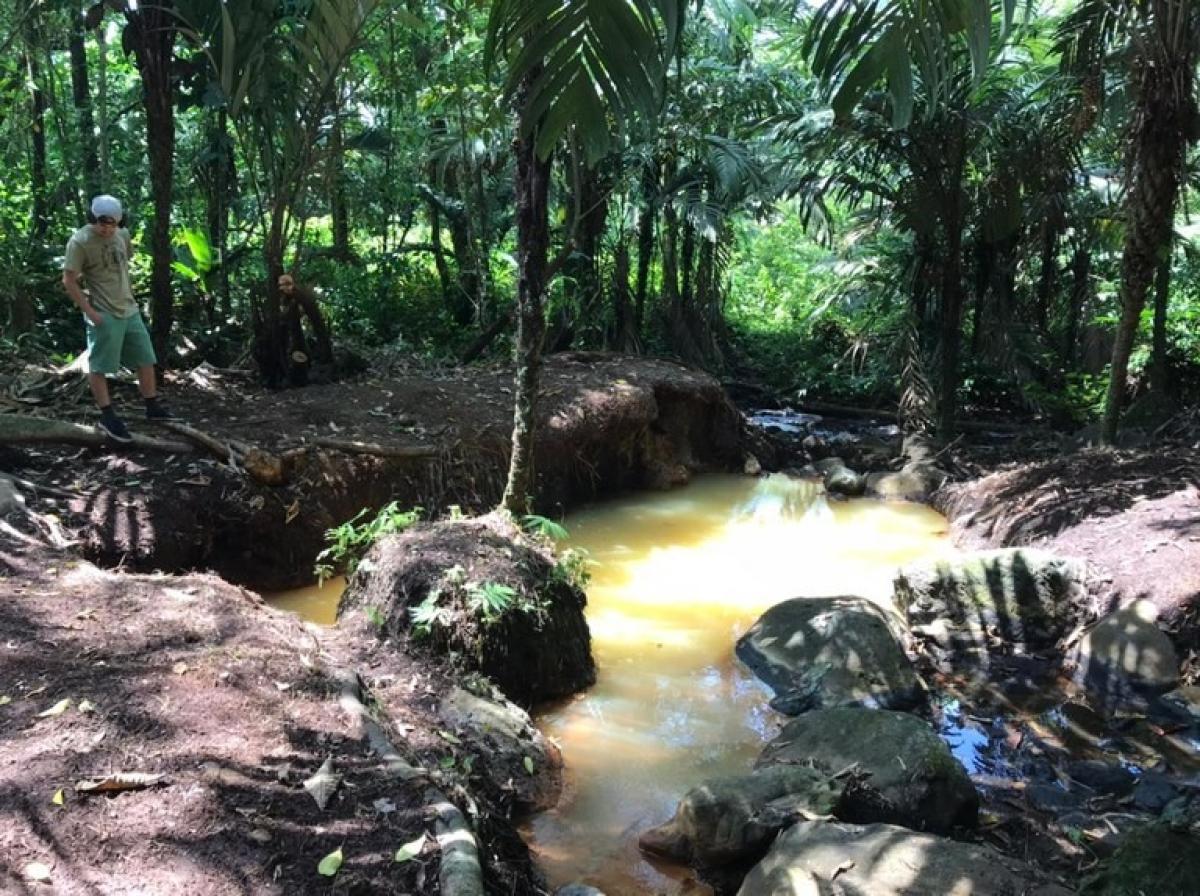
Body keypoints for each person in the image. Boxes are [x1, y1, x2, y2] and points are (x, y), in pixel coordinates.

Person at [62, 195, 173, 443]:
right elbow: (69, 280)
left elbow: (125, 261)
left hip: (129, 309)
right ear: (92, 219)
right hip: (103, 312)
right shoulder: (79, 242)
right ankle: (107, 415)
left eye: (113, 224)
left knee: (145, 358)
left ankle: (152, 406)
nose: (107, 229)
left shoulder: (122, 235)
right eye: (102, 223)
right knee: (100, 366)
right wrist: (91, 313)